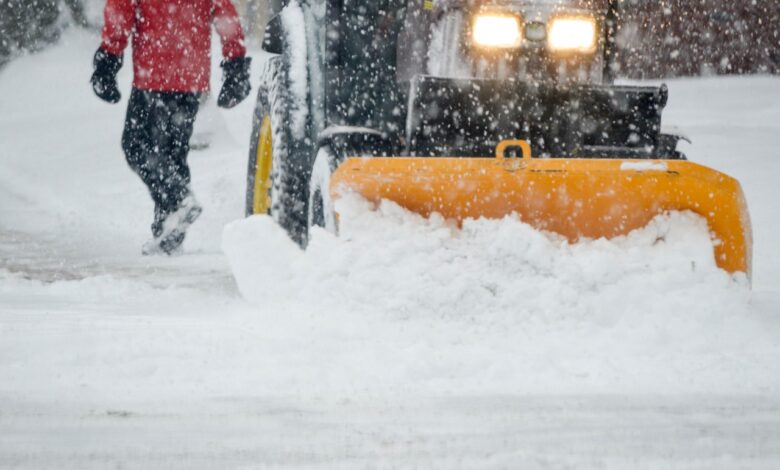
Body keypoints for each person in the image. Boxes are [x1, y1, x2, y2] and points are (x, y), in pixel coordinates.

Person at [90, 0, 251, 255]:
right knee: (173, 154)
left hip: (153, 75)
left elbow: (120, 11)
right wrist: (236, 64)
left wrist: (108, 59)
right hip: (190, 78)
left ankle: (178, 199)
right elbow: (225, 15)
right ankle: (168, 235)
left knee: (136, 147)